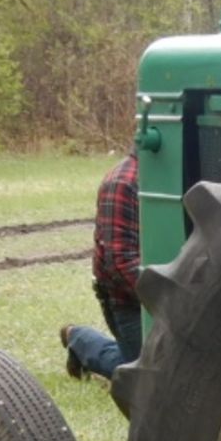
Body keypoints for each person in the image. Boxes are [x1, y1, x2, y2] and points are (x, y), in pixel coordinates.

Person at [60, 149, 141, 381]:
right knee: (145, 378)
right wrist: (168, 302)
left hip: (157, 295)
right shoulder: (124, 183)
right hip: (127, 300)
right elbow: (119, 262)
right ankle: (79, 338)